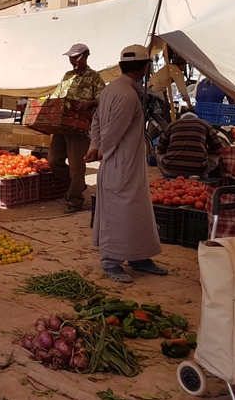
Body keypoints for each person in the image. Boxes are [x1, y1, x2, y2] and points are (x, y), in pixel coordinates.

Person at [85, 45, 167, 284]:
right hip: (119, 163)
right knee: (117, 213)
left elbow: (98, 120)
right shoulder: (127, 95)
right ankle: (111, 261)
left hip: (128, 163)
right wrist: (100, 150)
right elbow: (111, 132)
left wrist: (94, 145)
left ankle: (139, 257)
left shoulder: (113, 89)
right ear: (144, 68)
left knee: (136, 212)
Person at [47, 43, 107, 214]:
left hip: (79, 128)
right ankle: (77, 186)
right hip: (62, 126)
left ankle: (75, 200)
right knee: (53, 160)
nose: (73, 61)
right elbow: (58, 96)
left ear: (86, 55)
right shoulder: (67, 75)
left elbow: (103, 99)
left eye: (76, 57)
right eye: (71, 58)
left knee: (76, 166)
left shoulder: (94, 77)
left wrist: (89, 103)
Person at [155, 112, 224, 179]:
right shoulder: (205, 124)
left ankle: (167, 177)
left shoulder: (172, 125)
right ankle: (207, 178)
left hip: (171, 169)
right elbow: (219, 149)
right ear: (196, 119)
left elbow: (159, 150)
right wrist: (206, 151)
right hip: (198, 170)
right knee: (216, 156)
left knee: (158, 154)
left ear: (181, 119)